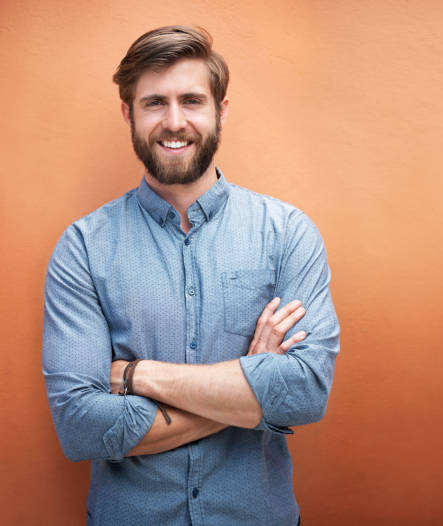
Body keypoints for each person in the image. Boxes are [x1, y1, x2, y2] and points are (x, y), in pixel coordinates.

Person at [42, 25, 339, 526]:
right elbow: (81, 429)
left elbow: (306, 392)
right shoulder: (83, 248)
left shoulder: (287, 232)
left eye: (192, 101)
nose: (174, 122)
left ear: (220, 111)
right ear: (128, 114)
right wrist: (251, 390)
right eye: (155, 102)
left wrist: (139, 376)